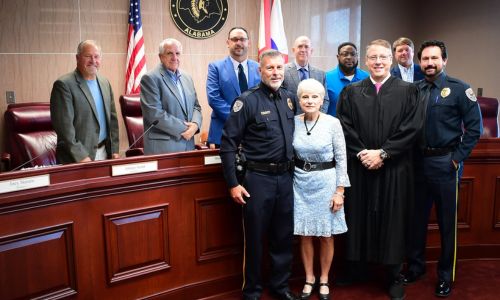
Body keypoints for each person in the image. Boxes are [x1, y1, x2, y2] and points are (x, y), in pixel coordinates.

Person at [336, 39, 422, 300]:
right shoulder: (351, 91)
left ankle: (394, 274)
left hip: (394, 167)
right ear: (366, 60)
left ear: (391, 59)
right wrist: (363, 152)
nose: (378, 62)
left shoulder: (409, 91)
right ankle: (357, 268)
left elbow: (413, 127)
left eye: (383, 57)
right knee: (358, 215)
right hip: (360, 166)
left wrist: (384, 153)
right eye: (373, 57)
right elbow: (344, 125)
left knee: (393, 218)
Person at [402, 40, 482, 298]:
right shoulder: (414, 90)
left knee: (447, 223)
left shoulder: (459, 89)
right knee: (416, 221)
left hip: (445, 164)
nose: (429, 63)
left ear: (444, 60)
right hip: (417, 164)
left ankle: (446, 276)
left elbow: (475, 129)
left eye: (434, 58)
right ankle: (415, 267)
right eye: (425, 59)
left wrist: (456, 159)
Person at [220, 50, 298, 300]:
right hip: (258, 180)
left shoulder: (289, 98)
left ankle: (280, 286)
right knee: (254, 239)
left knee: (283, 237)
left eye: (279, 68)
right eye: (270, 68)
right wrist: (233, 183)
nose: (276, 73)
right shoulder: (247, 101)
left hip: (285, 179)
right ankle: (252, 291)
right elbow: (228, 144)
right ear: (259, 71)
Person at [293, 79, 350, 300]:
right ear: (299, 100)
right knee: (305, 234)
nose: (309, 100)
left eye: (314, 96)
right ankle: (309, 278)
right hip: (300, 183)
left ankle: (324, 278)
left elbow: (342, 159)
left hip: (327, 182)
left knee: (326, 235)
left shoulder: (332, 123)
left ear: (322, 99)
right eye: (305, 96)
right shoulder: (293, 122)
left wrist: (340, 191)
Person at [50, 40, 119, 164]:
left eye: (96, 56)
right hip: (77, 158)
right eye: (88, 56)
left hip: (105, 153)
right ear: (77, 58)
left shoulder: (105, 83)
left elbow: (112, 120)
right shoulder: (64, 85)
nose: (93, 60)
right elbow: (65, 129)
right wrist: (81, 157)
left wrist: (114, 151)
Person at [140, 38, 202, 154]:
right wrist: (187, 129)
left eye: (177, 53)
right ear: (161, 57)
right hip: (163, 149)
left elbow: (196, 107)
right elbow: (154, 114)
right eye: (169, 53)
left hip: (188, 146)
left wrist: (195, 125)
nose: (174, 58)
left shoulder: (187, 77)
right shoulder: (150, 79)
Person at [206, 27, 260, 149]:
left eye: (242, 39)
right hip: (224, 131)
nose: (238, 43)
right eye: (234, 39)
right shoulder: (216, 67)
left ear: (248, 43)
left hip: (254, 133)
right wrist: (238, 119)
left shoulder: (259, 68)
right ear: (228, 43)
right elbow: (214, 98)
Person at [283, 36, 329, 114]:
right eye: (300, 46)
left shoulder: (320, 74)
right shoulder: (283, 71)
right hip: (290, 121)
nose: (303, 50)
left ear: (311, 51)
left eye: (306, 47)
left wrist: (317, 117)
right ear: (293, 50)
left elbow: (325, 99)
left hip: (315, 121)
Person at [325, 42, 369, 116]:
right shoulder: (326, 78)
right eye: (345, 54)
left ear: (357, 56)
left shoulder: (366, 77)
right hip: (334, 126)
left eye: (353, 54)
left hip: (359, 126)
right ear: (338, 57)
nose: (349, 57)